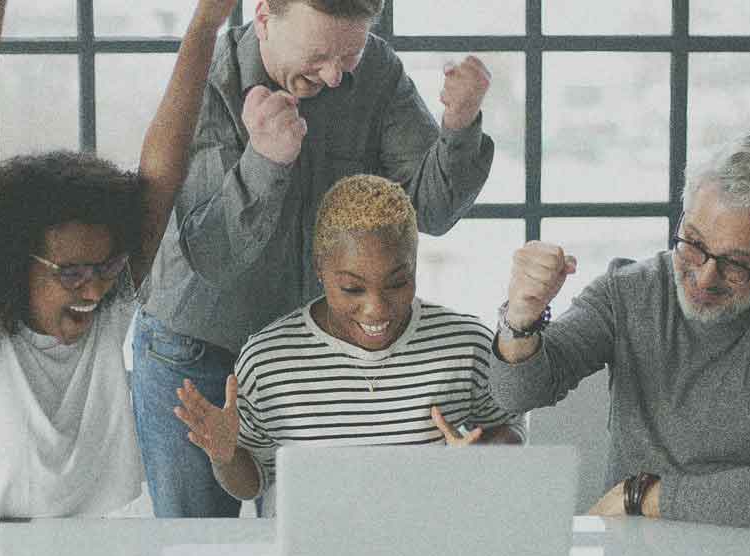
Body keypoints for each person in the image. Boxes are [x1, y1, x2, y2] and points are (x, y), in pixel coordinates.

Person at [0, 0, 235, 556]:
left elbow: (161, 175)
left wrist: (205, 25)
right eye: (71, 273)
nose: (93, 290)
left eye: (107, 267)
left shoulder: (106, 311)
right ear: (17, 264)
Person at [130, 0, 497, 518]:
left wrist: (460, 126)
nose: (333, 76)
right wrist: (265, 160)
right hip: (196, 347)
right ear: (262, 18)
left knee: (315, 533)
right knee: (197, 542)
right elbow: (212, 255)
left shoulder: (376, 72)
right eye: (318, 54)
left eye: (348, 56)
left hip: (304, 354)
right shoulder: (213, 79)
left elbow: (430, 210)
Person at [489, 132, 750, 529]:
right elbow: (518, 392)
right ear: (683, 216)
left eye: (735, 263)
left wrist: (640, 495)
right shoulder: (628, 290)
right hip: (634, 547)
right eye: (693, 243)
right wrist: (521, 317)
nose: (703, 276)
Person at [172, 174, 524, 515]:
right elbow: (253, 483)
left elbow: (509, 433)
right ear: (320, 269)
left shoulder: (466, 344)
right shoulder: (268, 361)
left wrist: (483, 460)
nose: (377, 308)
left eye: (398, 282)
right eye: (353, 288)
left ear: (415, 266)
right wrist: (225, 455)